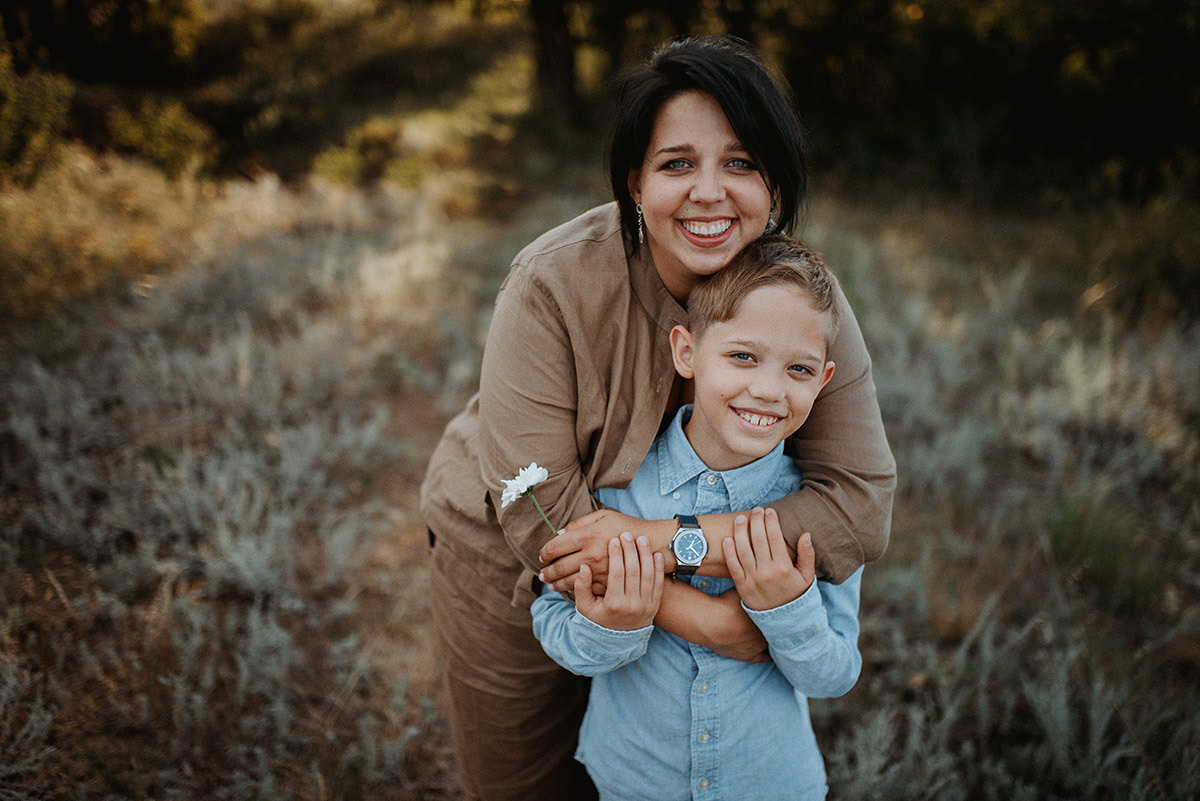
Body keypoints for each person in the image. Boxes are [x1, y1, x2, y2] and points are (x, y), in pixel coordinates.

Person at [419, 35, 894, 801]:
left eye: (740, 162)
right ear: (635, 182)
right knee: (527, 780)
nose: (710, 191)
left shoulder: (805, 302)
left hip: (657, 549)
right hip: (513, 552)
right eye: (678, 164)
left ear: (774, 180)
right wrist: (709, 623)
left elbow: (860, 503)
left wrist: (663, 542)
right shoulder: (551, 281)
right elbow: (549, 521)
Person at [529, 235, 862, 800]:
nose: (768, 389)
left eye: (799, 370)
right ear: (686, 351)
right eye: (743, 356)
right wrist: (614, 626)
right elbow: (553, 624)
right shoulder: (621, 486)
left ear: (824, 382)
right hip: (637, 780)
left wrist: (790, 610)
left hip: (770, 784)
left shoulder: (815, 510)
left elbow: (835, 672)